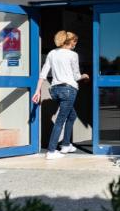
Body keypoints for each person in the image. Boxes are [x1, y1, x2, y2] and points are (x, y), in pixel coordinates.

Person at [34, 30, 89, 159]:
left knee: (72, 116)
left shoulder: (52, 53)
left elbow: (43, 73)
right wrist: (84, 76)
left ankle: (65, 145)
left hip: (55, 90)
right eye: (75, 41)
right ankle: (51, 151)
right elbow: (76, 76)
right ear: (70, 42)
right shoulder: (73, 55)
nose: (75, 44)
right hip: (68, 90)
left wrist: (37, 90)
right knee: (60, 120)